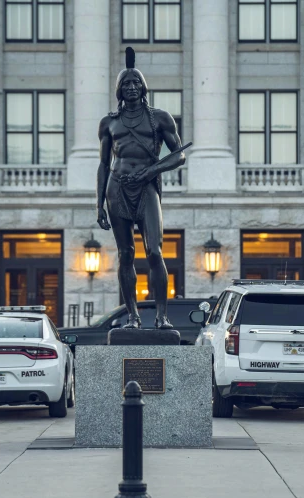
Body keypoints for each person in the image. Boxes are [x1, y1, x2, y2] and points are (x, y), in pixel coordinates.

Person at [96, 47, 186, 329]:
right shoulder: (109, 122)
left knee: (155, 252)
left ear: (144, 87)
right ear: (119, 90)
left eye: (136, 82)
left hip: (146, 188)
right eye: (126, 83)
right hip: (117, 188)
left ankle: (161, 316)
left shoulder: (160, 118)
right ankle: (133, 316)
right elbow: (103, 164)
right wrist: (98, 205)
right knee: (125, 254)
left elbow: (179, 154)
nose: (132, 87)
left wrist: (152, 170)